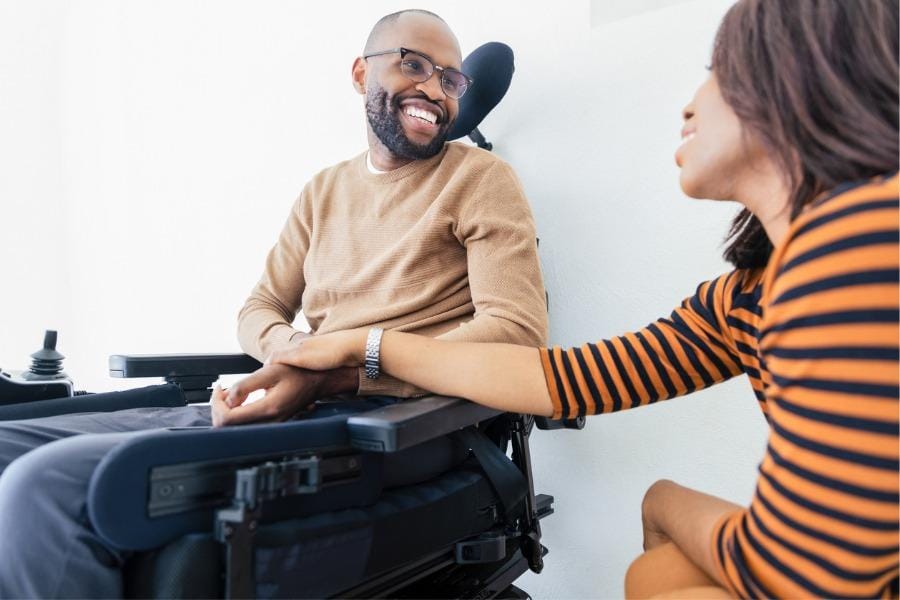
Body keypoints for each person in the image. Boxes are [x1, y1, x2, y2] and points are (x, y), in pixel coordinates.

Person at [236, 1, 900, 597]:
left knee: (667, 571)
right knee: (655, 577)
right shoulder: (744, 298)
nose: (690, 104)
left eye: (716, 70)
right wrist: (343, 350)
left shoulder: (863, 237)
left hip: (826, 571)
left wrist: (666, 504)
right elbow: (569, 380)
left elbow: (812, 572)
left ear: (795, 78)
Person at [0, 10, 547, 598]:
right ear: (362, 73)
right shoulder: (323, 191)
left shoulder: (480, 179)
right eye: (412, 64)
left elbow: (514, 333)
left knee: (42, 485)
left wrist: (339, 373)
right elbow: (259, 307)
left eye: (450, 80)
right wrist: (294, 356)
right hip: (302, 397)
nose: (433, 90)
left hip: (391, 425)